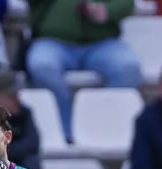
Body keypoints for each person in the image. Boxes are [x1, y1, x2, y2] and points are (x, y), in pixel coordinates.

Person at [25, 0, 141, 141]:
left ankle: (102, 127)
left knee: (129, 68)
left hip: (103, 43)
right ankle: (64, 132)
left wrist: (108, 10)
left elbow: (127, 3)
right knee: (42, 65)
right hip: (54, 41)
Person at [0, 67, 42, 169]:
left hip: (14, 163)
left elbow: (32, 143)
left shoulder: (24, 113)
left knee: (31, 161)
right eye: (11, 96)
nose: (17, 99)